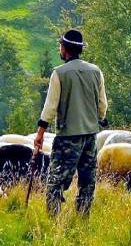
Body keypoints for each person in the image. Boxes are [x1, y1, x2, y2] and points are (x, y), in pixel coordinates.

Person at [34, 29, 108, 217]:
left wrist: (40, 133)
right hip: (90, 136)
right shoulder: (95, 71)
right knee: (87, 181)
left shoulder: (59, 73)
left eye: (60, 45)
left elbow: (50, 107)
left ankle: (54, 220)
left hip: (67, 137)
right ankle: (82, 218)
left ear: (65, 49)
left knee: (56, 181)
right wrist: (96, 119)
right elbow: (102, 105)